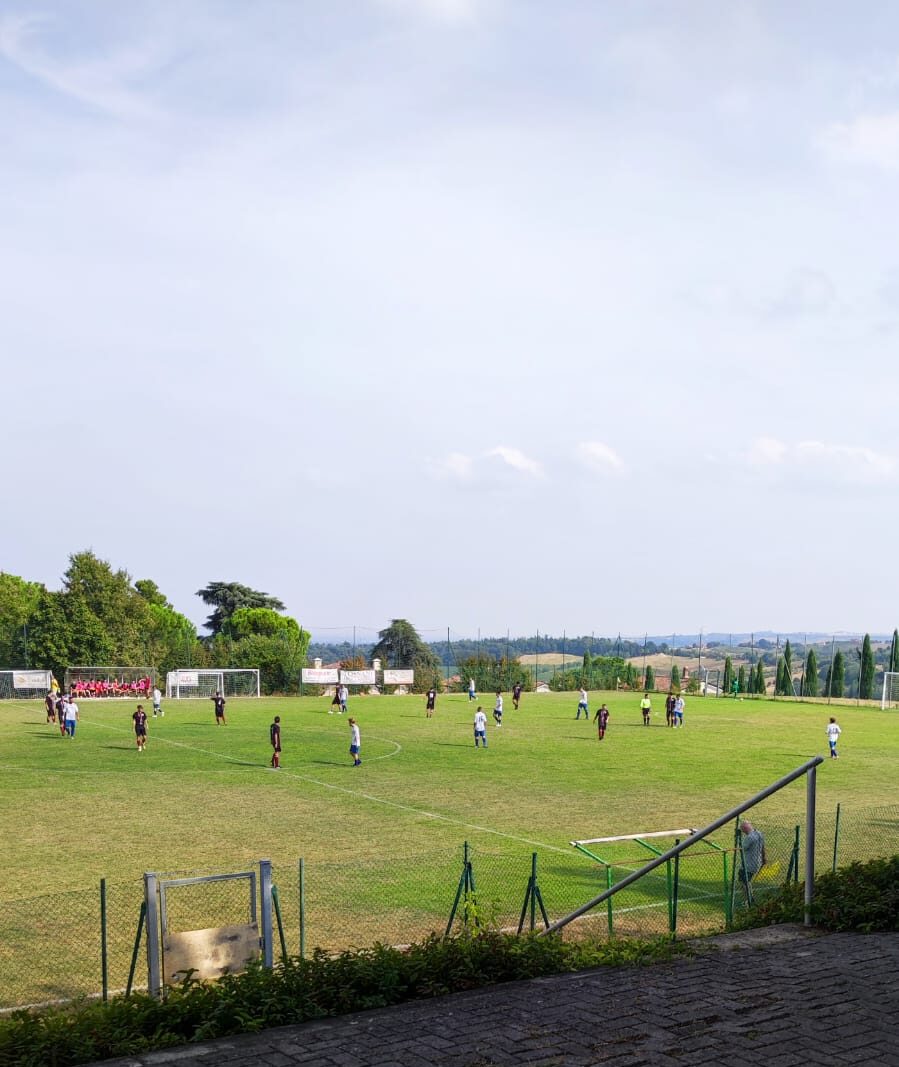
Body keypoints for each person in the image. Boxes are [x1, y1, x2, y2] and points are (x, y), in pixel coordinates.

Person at [738, 819, 767, 886]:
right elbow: (762, 847)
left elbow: (742, 848)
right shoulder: (759, 833)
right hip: (757, 862)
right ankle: (749, 895)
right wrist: (764, 858)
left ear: (745, 829)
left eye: (742, 830)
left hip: (748, 865)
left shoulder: (749, 837)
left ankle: (749, 896)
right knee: (746, 881)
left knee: (744, 882)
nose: (743, 832)